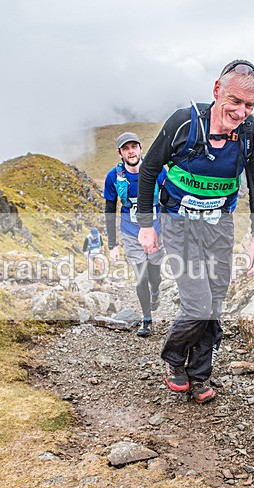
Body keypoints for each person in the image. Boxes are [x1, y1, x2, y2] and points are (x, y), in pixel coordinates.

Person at [136, 59, 254, 404]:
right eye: (235, 102)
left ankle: (199, 376)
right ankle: (174, 357)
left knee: (214, 305)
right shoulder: (184, 123)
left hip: (219, 228)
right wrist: (146, 225)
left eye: (250, 105)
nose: (241, 112)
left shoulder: (252, 134)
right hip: (178, 226)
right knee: (198, 305)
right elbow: (149, 169)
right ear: (216, 91)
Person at [103, 132, 168, 337]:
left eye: (134, 147)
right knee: (141, 278)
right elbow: (110, 210)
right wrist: (112, 245)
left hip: (157, 232)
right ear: (120, 153)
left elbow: (169, 199)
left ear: (141, 149)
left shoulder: (157, 171)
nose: (131, 151)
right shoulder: (114, 177)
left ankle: (156, 290)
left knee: (154, 275)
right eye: (126, 148)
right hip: (131, 234)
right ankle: (146, 320)